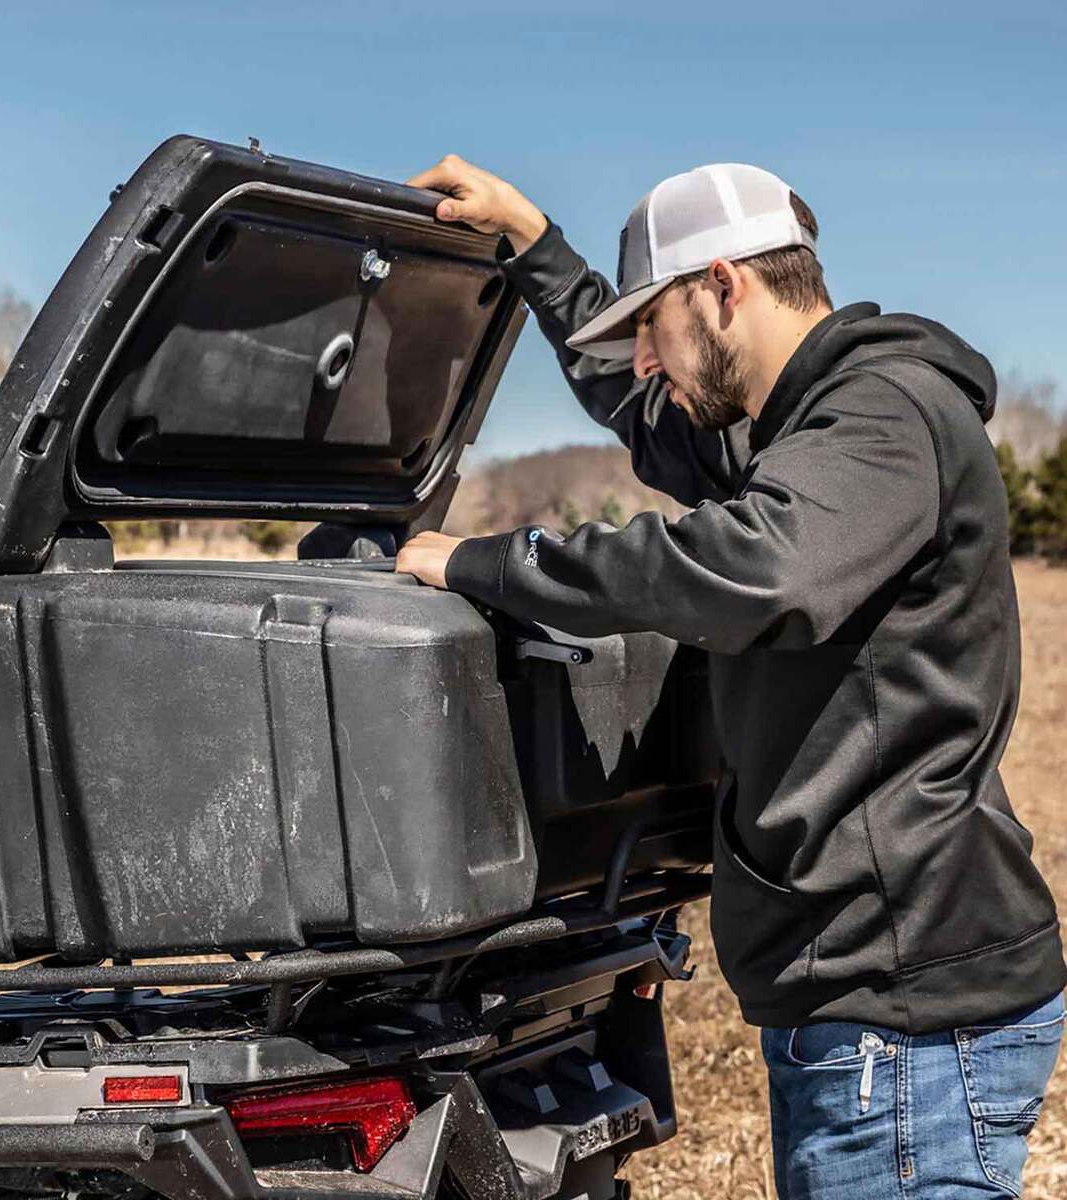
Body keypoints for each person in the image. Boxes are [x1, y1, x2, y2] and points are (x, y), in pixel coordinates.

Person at [396, 155, 1067, 1197]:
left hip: (908, 1018)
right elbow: (639, 409)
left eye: (653, 329)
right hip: (868, 1004)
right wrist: (534, 245)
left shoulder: (883, 415)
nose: (649, 365)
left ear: (722, 286)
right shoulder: (796, 430)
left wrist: (487, 560)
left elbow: (750, 569)